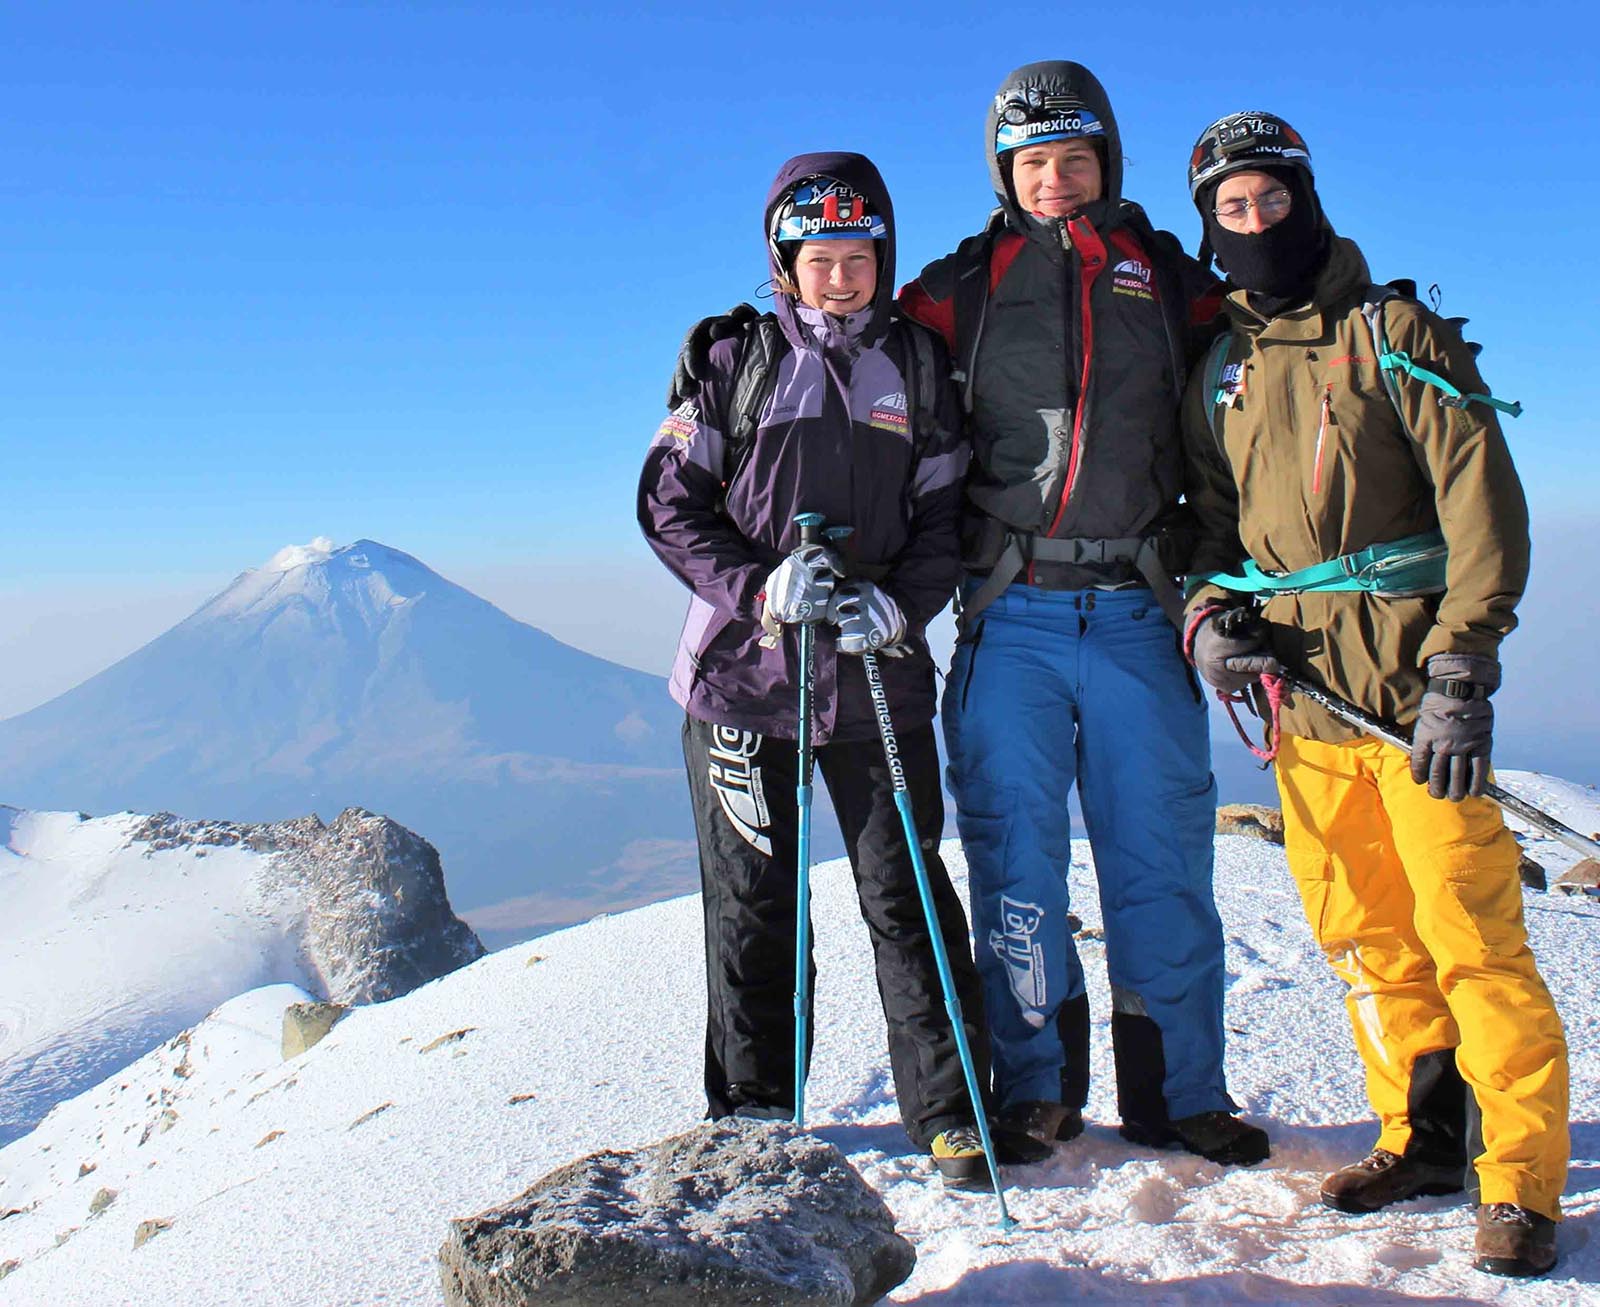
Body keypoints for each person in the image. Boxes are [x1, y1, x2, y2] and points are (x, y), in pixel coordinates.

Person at [1179, 110, 1569, 1277]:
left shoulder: (1391, 330)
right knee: (1367, 937)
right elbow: (1205, 518)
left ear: (1306, 198)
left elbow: (1481, 506)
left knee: (1473, 939)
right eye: (1230, 208)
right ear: (1209, 224)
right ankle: (1421, 1137)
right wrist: (1206, 615)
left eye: (1269, 198)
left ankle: (1519, 1181)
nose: (1253, 222)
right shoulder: (1222, 363)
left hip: (1406, 695)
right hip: (1302, 707)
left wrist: (1461, 665)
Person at [637, 151, 1045, 1185]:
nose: (840, 277)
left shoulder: (913, 367)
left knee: (903, 890)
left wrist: (897, 603)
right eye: (819, 258)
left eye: (858, 256)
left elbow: (945, 513)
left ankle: (950, 1110)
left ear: (881, 257)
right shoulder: (735, 360)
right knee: (753, 900)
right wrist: (757, 585)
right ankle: (756, 1116)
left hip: (873, 673)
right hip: (742, 680)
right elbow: (667, 502)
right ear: (784, 261)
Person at [896, 61, 1268, 1165]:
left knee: (1158, 858)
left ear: (1106, 160)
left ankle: (1177, 1091)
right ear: (1004, 172)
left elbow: (1252, 402)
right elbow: (864, 373)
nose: (1055, 179)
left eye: (1075, 157)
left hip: (1138, 611)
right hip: (1011, 612)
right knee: (1016, 859)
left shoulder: (1170, 278)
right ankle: (1034, 1087)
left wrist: (1227, 587)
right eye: (1032, 162)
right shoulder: (957, 292)